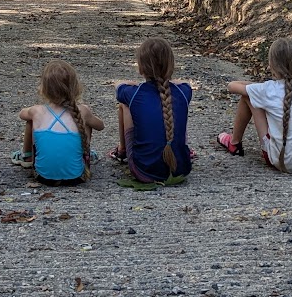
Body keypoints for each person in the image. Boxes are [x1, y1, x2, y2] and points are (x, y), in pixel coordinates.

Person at [215, 36, 292, 173]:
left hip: (281, 161)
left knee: (247, 97)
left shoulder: (268, 89)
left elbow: (231, 86)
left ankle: (234, 142)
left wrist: (256, 88)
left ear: (272, 65)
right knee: (257, 97)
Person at [112, 36, 193, 184]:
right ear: (171, 65)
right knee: (175, 109)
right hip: (181, 170)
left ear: (141, 67)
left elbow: (118, 86)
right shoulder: (183, 91)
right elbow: (185, 83)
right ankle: (179, 150)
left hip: (144, 171)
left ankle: (122, 150)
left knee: (125, 105)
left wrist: (132, 83)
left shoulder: (135, 93)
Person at [12, 60, 105, 186]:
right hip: (77, 176)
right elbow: (100, 126)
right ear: (75, 87)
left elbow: (22, 114)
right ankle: (85, 154)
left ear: (43, 88)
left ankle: (27, 156)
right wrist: (88, 118)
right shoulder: (82, 110)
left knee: (31, 121)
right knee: (85, 124)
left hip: (42, 176)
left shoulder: (37, 111)